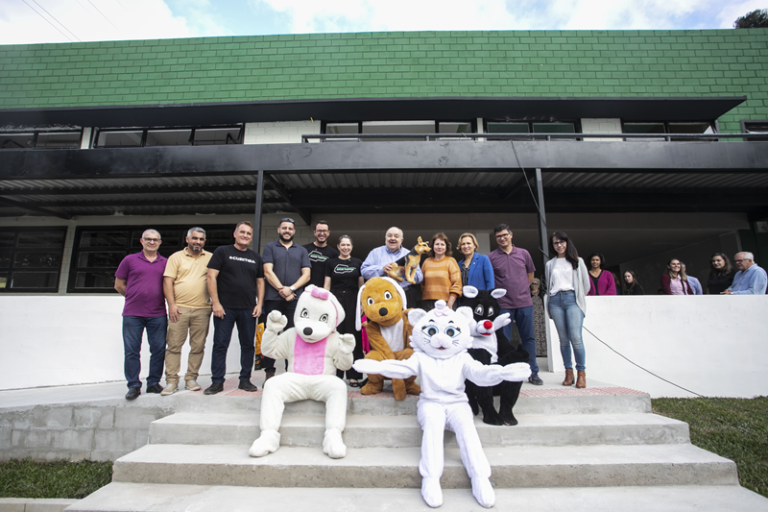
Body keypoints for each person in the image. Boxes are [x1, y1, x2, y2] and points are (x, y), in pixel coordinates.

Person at [204, 221, 265, 395]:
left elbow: (260, 282)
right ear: (235, 234)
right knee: (220, 345)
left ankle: (245, 380)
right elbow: (211, 276)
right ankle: (217, 382)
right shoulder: (222, 252)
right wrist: (215, 303)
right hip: (225, 309)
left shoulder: (255, 257)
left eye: (248, 234)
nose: (245, 235)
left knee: (248, 346)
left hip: (248, 309)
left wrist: (259, 304)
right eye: (242, 232)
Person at [114, 229, 168, 401]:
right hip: (133, 314)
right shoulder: (129, 260)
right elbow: (118, 284)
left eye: (155, 240)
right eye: (148, 239)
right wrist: (132, 296)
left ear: (160, 242)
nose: (151, 242)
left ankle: (153, 383)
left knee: (158, 349)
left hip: (158, 313)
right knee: (131, 351)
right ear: (141, 241)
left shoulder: (166, 262)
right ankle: (134, 385)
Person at [161, 227, 213, 395]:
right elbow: (168, 281)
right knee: (174, 345)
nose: (198, 242)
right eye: (195, 238)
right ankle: (171, 381)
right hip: (180, 309)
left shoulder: (210, 258)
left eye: (201, 239)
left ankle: (191, 378)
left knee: (198, 346)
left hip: (203, 309)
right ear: (187, 239)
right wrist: (172, 305)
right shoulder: (176, 257)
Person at [488, 223, 541, 385]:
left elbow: (530, 275)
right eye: (498, 237)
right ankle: (505, 373)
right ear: (496, 239)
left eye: (504, 235)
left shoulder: (523, 254)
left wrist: (523, 289)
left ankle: (533, 372)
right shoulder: (491, 257)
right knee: (503, 339)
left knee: (528, 338)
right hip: (503, 304)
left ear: (511, 235)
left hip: (524, 302)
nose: (502, 238)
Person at [262, 217, 311, 381]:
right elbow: (268, 271)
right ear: (278, 230)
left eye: (290, 228)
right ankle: (269, 371)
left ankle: (291, 372)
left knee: (292, 335)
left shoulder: (301, 250)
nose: (287, 231)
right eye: (284, 228)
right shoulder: (270, 247)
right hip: (273, 299)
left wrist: (291, 289)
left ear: (294, 231)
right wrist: (281, 289)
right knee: (272, 334)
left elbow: (307, 274)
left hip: (294, 298)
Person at [544, 231, 590, 388]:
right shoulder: (550, 264)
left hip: (572, 299)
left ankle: (581, 373)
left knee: (576, 338)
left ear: (567, 242)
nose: (559, 245)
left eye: (561, 242)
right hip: (555, 300)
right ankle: (568, 373)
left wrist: (577, 297)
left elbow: (586, 285)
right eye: (555, 243)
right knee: (563, 339)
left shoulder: (578, 261)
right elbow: (549, 284)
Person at [324, 235, 365, 387]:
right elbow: (326, 286)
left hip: (353, 300)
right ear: (338, 246)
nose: (345, 247)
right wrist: (326, 304)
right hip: (335, 301)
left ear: (351, 247)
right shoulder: (331, 263)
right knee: (336, 337)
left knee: (353, 336)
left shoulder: (358, 262)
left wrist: (362, 304)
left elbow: (361, 286)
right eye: (343, 245)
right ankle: (336, 374)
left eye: (348, 244)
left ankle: (354, 375)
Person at [361, 226, 423, 307]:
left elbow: (419, 278)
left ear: (401, 240)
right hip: (381, 295)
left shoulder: (410, 255)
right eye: (389, 235)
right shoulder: (375, 252)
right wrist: (381, 269)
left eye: (396, 236)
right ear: (385, 238)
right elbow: (364, 271)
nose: (392, 238)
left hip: (405, 294)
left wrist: (408, 271)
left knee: (406, 319)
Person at [420, 232, 462, 310]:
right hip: (427, 303)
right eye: (437, 244)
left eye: (442, 244)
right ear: (432, 246)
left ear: (446, 247)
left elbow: (457, 284)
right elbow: (422, 283)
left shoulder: (451, 261)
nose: (439, 247)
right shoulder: (426, 262)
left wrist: (449, 303)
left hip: (446, 302)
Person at [302, 220, 339, 288]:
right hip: (305, 291)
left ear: (328, 233)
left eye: (324, 231)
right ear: (314, 232)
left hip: (323, 291)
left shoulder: (334, 254)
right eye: (319, 231)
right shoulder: (303, 249)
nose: (322, 233)